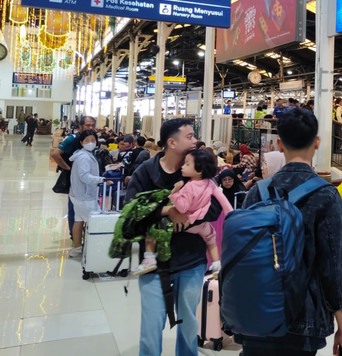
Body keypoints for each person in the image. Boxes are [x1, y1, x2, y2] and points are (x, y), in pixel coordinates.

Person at [240, 108, 342, 355]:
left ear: (279, 145)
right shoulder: (326, 195)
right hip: (304, 317)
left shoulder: (257, 192)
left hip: (256, 313)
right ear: (317, 142)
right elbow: (334, 265)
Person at [124, 118, 222, 356]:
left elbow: (215, 207)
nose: (195, 140)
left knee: (188, 325)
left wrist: (187, 217)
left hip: (190, 260)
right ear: (172, 142)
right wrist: (167, 211)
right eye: (189, 136)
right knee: (151, 327)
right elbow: (130, 210)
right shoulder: (146, 171)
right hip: (153, 264)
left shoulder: (198, 169)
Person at [130, 149, 233, 275]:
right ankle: (217, 264)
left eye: (187, 164)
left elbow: (183, 208)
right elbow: (223, 201)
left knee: (153, 230)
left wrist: (175, 193)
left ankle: (149, 258)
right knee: (211, 238)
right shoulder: (210, 184)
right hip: (201, 224)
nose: (183, 166)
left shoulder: (189, 186)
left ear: (199, 170)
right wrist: (231, 215)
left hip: (184, 222)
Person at [51, 116, 97, 239]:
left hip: (88, 178)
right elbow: (55, 154)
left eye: (93, 125)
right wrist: (68, 168)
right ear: (81, 126)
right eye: (87, 125)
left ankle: (86, 232)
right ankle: (74, 235)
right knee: (74, 206)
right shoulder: (72, 139)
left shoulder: (92, 138)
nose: (90, 127)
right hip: (75, 180)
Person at [68, 130, 107, 257]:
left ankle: (77, 248)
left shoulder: (82, 154)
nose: (91, 143)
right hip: (84, 196)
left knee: (79, 220)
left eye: (93, 140)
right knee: (95, 222)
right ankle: (94, 249)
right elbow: (84, 176)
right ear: (81, 142)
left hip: (78, 194)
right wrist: (101, 180)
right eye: (87, 140)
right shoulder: (84, 157)